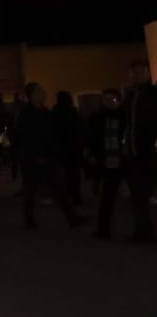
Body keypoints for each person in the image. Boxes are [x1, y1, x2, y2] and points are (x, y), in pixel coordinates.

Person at [13, 82, 88, 231]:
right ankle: (30, 220)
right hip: (33, 159)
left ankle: (71, 218)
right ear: (32, 95)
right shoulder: (25, 114)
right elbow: (23, 137)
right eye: (40, 91)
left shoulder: (45, 112)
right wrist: (34, 155)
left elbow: (51, 134)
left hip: (48, 157)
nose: (43, 94)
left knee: (57, 188)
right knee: (31, 190)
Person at [120, 59, 156, 243]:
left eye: (142, 72)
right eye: (135, 72)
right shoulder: (130, 96)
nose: (138, 75)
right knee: (138, 196)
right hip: (134, 154)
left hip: (152, 153)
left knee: (145, 194)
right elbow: (128, 125)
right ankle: (142, 232)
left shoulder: (154, 94)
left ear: (148, 74)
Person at [85, 88, 127, 239]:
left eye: (113, 100)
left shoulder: (126, 117)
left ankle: (141, 229)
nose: (110, 103)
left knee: (136, 197)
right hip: (106, 162)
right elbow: (90, 138)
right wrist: (92, 154)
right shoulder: (96, 117)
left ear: (119, 101)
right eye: (106, 100)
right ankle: (104, 230)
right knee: (106, 198)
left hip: (125, 160)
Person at [51, 90, 85, 206]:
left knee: (64, 174)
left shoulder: (55, 111)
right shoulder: (73, 112)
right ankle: (76, 195)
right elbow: (79, 129)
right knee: (74, 173)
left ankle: (67, 195)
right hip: (73, 147)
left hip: (61, 147)